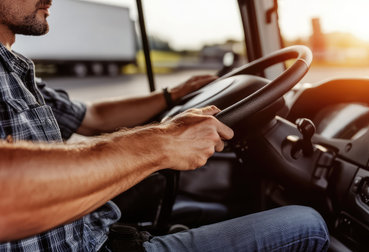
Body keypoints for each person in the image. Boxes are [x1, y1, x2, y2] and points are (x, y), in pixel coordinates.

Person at [0, 0, 329, 251]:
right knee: (309, 224)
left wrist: (173, 95)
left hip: (103, 237)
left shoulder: (18, 74)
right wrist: (163, 142)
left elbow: (93, 117)